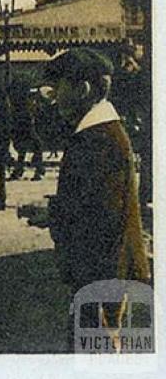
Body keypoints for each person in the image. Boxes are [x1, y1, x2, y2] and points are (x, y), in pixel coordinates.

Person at [43, 48, 151, 349]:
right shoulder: (100, 133)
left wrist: (53, 215)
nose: (53, 97)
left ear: (83, 90)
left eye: (59, 87)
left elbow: (103, 223)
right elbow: (93, 203)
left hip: (101, 282)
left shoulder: (97, 140)